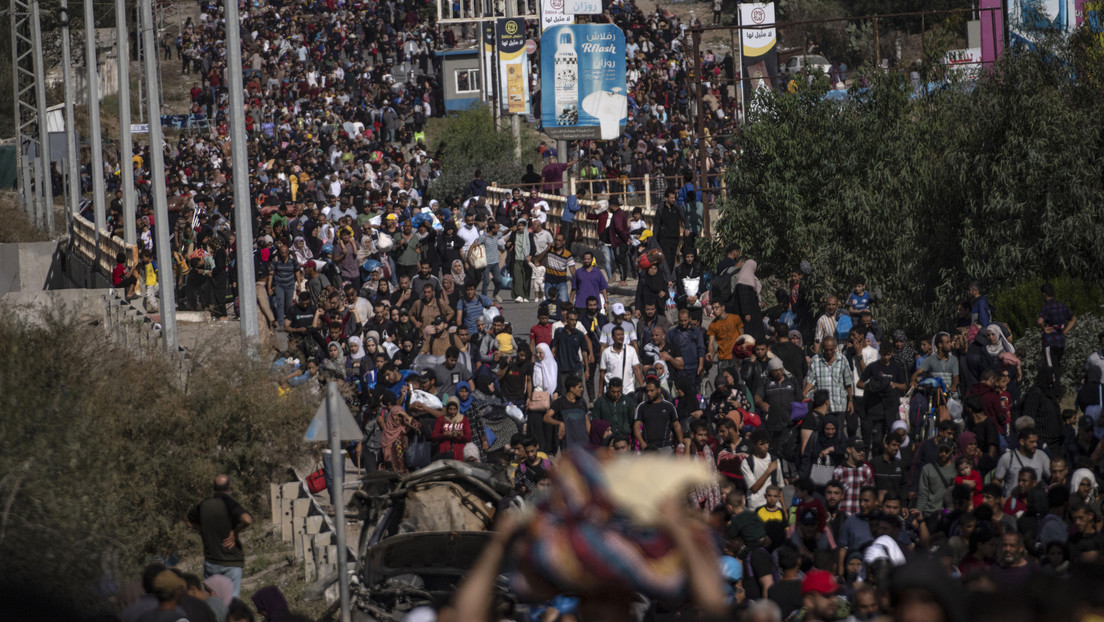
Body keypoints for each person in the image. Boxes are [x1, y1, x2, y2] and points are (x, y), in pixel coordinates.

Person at [186, 475, 253, 597]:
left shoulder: (204, 504)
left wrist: (202, 530)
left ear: (214, 488)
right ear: (230, 487)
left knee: (212, 603)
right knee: (232, 605)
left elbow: (188, 520)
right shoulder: (229, 503)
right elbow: (247, 520)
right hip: (231, 562)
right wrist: (234, 532)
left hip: (211, 561)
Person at [993, 426, 1051, 497]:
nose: (1035, 444)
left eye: (1036, 441)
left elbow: (1051, 477)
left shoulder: (1042, 456)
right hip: (1013, 503)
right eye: (1032, 442)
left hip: (1034, 503)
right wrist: (1002, 500)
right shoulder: (1007, 458)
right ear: (1022, 442)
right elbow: (996, 481)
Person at [634, 377, 683, 452]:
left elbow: (676, 424)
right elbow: (637, 426)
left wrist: (681, 443)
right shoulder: (642, 406)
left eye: (652, 391)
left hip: (665, 447)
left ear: (659, 390)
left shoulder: (668, 406)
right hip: (649, 448)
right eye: (647, 391)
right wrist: (641, 442)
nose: (649, 393)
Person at [545, 375, 591, 451]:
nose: (582, 389)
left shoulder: (582, 402)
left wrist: (591, 437)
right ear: (572, 389)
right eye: (579, 387)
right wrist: (560, 423)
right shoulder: (559, 403)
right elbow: (547, 417)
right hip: (567, 444)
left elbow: (586, 420)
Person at [1038, 282, 1076, 372]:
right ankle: (1057, 383)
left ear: (1044, 294)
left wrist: (1044, 328)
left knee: (1050, 367)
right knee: (1057, 366)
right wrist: (1064, 331)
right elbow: (1073, 319)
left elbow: (1039, 321)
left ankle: (1054, 384)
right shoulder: (1062, 306)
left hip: (1050, 340)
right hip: (1061, 340)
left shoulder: (1046, 307)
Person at [742, 428, 784, 510]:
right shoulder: (747, 463)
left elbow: (779, 487)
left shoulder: (774, 460)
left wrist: (784, 510)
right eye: (761, 444)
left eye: (767, 443)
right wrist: (768, 471)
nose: (766, 446)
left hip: (774, 508)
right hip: (755, 507)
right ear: (754, 445)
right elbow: (754, 488)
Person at [833, 439, 874, 516]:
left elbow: (870, 494)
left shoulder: (867, 470)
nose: (861, 452)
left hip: (861, 514)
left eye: (863, 450)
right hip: (843, 514)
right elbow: (835, 495)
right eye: (858, 450)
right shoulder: (839, 471)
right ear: (849, 450)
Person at [598, 325, 643, 396]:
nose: (621, 337)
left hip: (628, 390)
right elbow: (602, 373)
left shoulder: (631, 350)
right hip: (612, 391)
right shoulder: (606, 352)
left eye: (622, 334)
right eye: (618, 335)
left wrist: (642, 387)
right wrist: (600, 392)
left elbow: (637, 369)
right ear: (612, 337)